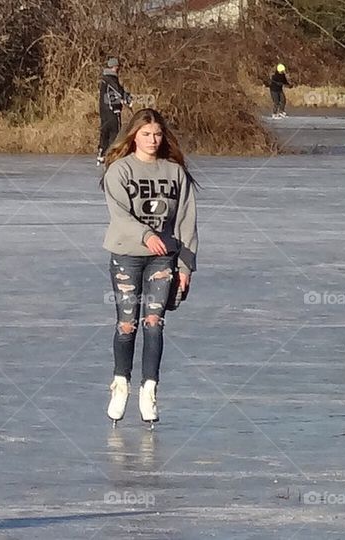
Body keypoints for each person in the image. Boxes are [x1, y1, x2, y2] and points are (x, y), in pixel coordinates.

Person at [101, 108, 198, 428]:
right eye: (145, 135)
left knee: (154, 322)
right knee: (127, 324)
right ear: (134, 136)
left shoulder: (175, 172)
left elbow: (186, 221)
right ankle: (120, 384)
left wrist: (185, 265)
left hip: (163, 258)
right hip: (126, 254)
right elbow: (119, 215)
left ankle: (149, 389)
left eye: (157, 134)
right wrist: (145, 234)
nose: (153, 140)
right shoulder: (120, 170)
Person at [97, 57, 132, 165]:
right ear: (115, 67)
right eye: (117, 67)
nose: (118, 69)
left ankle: (101, 154)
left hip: (104, 112)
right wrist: (126, 99)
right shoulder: (111, 78)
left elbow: (119, 90)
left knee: (105, 132)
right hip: (112, 111)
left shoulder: (105, 78)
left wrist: (126, 96)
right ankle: (110, 155)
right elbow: (117, 91)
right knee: (114, 132)